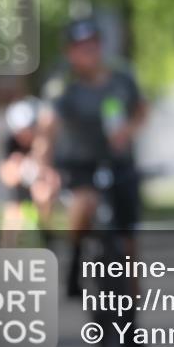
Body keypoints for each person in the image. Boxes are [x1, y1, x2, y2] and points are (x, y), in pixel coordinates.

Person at [34, 17, 148, 297]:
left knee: (128, 239)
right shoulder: (63, 87)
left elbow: (141, 109)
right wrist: (44, 168)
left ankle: (130, 317)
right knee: (84, 203)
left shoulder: (121, 78)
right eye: (81, 47)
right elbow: (48, 129)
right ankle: (75, 257)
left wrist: (128, 130)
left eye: (93, 45)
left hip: (119, 162)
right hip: (79, 165)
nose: (89, 52)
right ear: (70, 52)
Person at [0, 97, 59, 240]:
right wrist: (22, 170)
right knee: (11, 222)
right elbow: (7, 175)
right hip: (20, 196)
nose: (25, 135)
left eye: (29, 129)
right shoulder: (10, 143)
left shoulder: (45, 142)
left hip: (43, 191)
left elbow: (51, 174)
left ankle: (45, 234)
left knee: (43, 193)